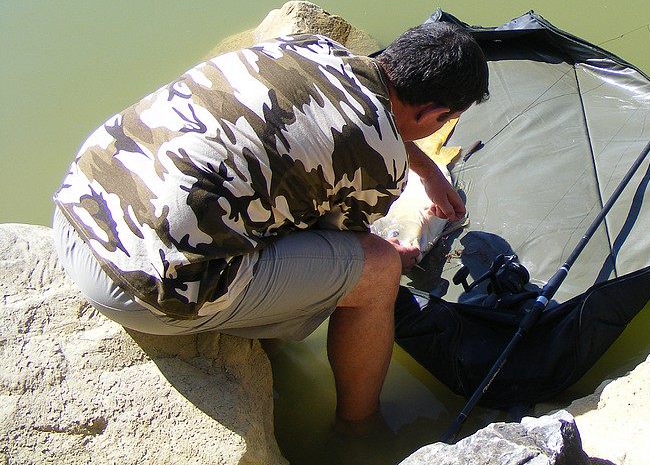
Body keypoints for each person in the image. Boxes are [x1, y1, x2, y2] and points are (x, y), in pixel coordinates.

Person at [52, 21, 489, 429]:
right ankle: (360, 427)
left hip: (77, 208)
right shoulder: (382, 165)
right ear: (434, 112)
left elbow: (346, 124)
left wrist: (428, 170)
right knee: (377, 271)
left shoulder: (311, 46)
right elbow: (338, 245)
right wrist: (395, 255)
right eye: (446, 121)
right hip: (141, 288)